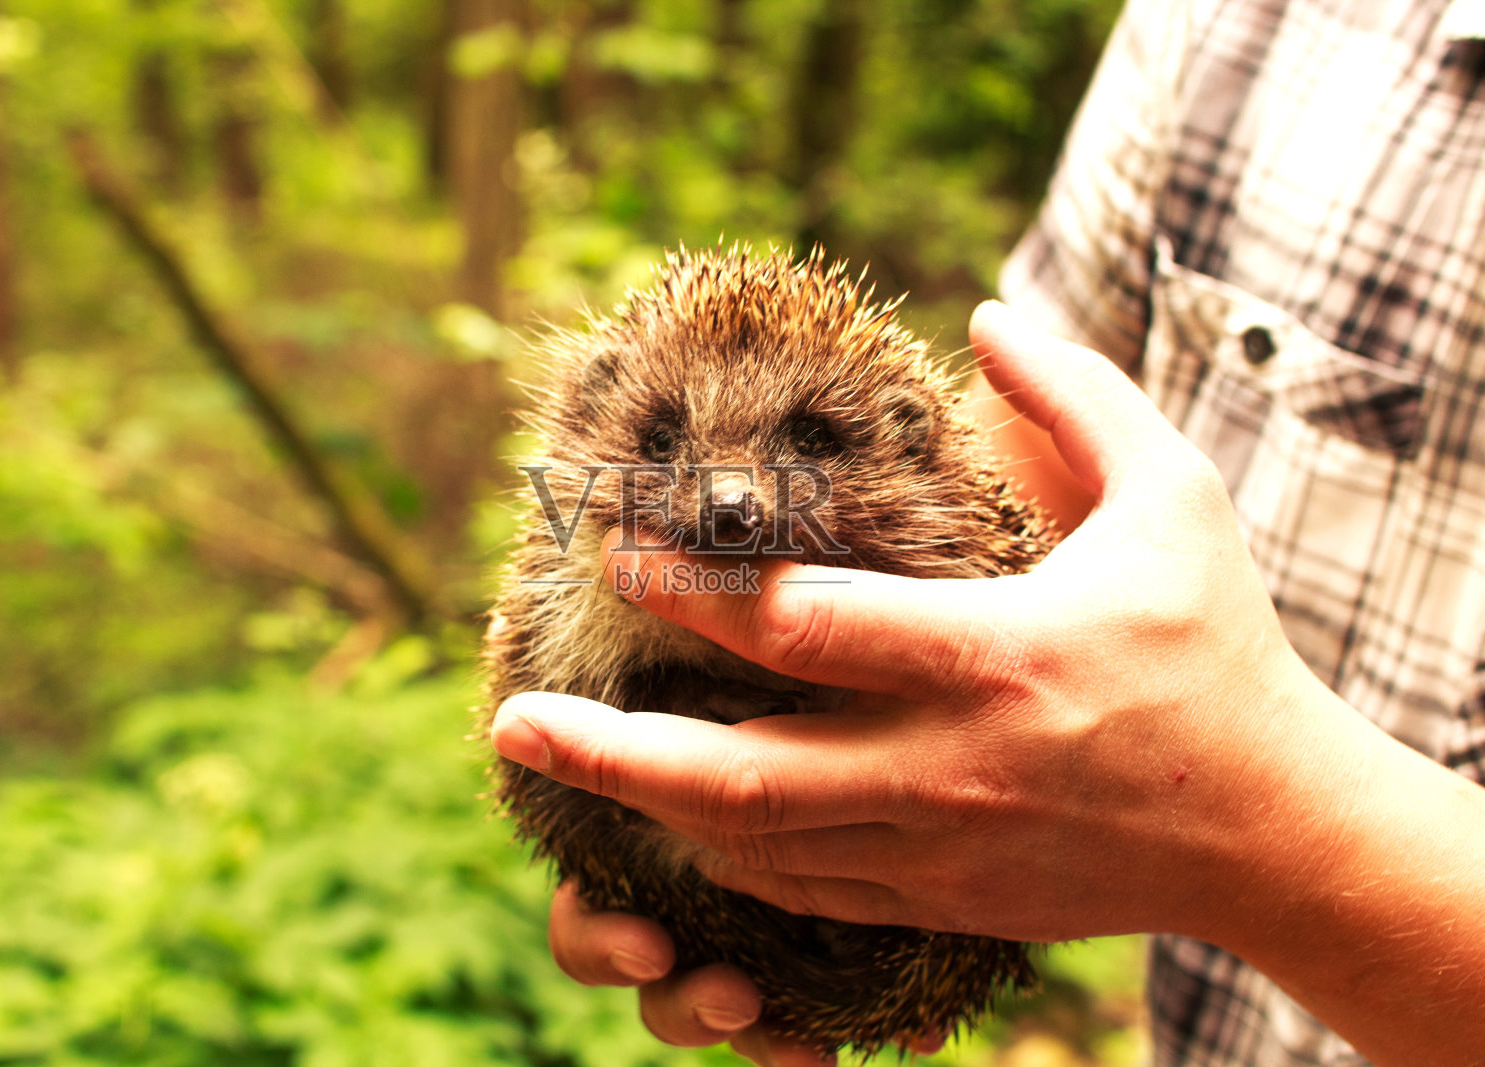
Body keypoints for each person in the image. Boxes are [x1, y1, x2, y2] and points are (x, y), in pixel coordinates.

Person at [490, 0, 1485, 1063]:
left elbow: (988, 544)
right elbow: (1036, 532)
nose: (734, 492)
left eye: (813, 439)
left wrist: (1256, 831)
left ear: (910, 442)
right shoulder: (1222, 23)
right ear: (588, 419)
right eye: (664, 436)